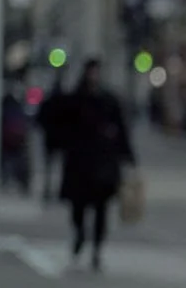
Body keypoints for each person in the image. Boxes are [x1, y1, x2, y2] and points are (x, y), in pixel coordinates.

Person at [58, 59, 133, 270]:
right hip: (80, 163)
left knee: (101, 209)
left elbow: (121, 130)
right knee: (78, 208)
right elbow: (62, 126)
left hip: (102, 164)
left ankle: (97, 249)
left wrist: (127, 156)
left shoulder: (108, 100)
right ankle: (80, 234)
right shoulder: (75, 100)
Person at [35, 82, 72, 199]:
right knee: (58, 167)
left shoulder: (49, 103)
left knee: (50, 167)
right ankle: (55, 190)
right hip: (60, 140)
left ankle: (48, 189)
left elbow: (39, 120)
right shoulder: (64, 104)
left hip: (51, 139)